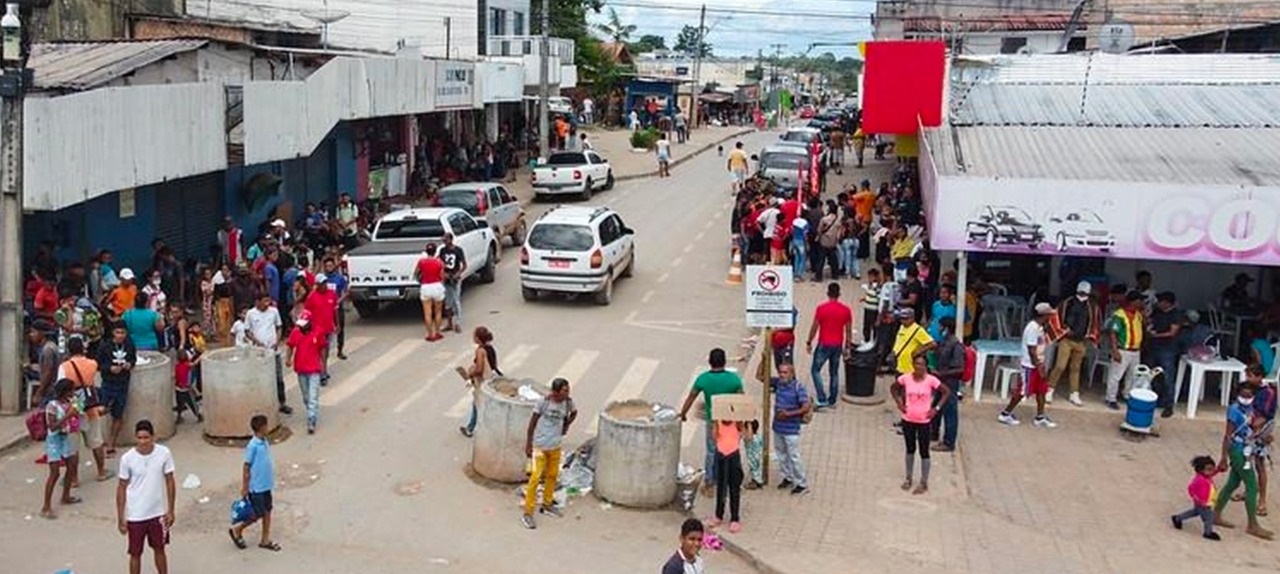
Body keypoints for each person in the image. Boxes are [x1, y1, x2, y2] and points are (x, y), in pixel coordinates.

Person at [679, 349, 744, 495]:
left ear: (710, 362)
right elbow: (741, 401)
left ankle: (710, 481)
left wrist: (682, 414)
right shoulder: (734, 379)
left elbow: (691, 397)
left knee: (711, 451)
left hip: (713, 421)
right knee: (731, 450)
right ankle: (732, 480)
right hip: (731, 421)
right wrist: (741, 423)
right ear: (725, 361)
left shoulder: (703, 379)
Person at [1213, 383, 1274, 540]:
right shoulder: (1234, 410)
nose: (1246, 398)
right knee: (1252, 486)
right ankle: (1252, 524)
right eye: (1244, 395)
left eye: (1249, 395)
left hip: (1245, 449)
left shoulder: (1251, 409)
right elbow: (1228, 435)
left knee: (1232, 483)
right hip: (1238, 450)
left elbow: (1252, 430)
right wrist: (1223, 457)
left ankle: (1216, 514)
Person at [116, 420, 176, 574]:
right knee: (135, 554)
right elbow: (121, 487)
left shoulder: (164, 453)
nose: (143, 442)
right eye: (140, 438)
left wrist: (171, 510)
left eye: (146, 437)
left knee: (160, 549)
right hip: (136, 515)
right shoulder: (127, 459)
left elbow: (170, 481)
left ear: (153, 437)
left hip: (157, 513)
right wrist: (120, 517)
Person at [522, 378, 577, 529]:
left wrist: (566, 425)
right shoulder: (543, 402)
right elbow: (532, 423)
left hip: (555, 446)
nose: (567, 393)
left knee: (552, 476)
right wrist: (528, 444)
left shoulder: (568, 402)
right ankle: (527, 512)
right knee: (535, 478)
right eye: (564, 390)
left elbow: (574, 413)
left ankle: (547, 504)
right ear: (555, 391)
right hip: (540, 447)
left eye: (568, 390)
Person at [892, 355, 950, 495]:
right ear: (913, 365)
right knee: (910, 449)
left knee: (924, 451)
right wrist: (899, 403)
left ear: (926, 366)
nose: (919, 367)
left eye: (922, 364)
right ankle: (908, 478)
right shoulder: (905, 378)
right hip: (908, 419)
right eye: (917, 364)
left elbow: (946, 392)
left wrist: (935, 409)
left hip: (924, 421)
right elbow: (894, 388)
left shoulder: (931, 380)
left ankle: (924, 482)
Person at [1000, 303, 1058, 428]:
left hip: (1039, 364)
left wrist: (1047, 327)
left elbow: (1052, 339)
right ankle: (1005, 414)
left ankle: (1040, 417)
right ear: (1043, 315)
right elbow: (1032, 350)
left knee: (1041, 390)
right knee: (1022, 391)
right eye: (1049, 315)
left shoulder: (1041, 327)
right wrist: (1039, 366)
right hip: (1030, 366)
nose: (1051, 317)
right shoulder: (1032, 328)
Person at [229, 415, 281, 551]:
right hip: (256, 487)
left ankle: (265, 539)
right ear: (262, 428)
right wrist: (245, 487)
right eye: (266, 426)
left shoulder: (264, 442)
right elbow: (246, 466)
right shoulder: (253, 446)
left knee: (268, 510)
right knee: (257, 513)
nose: (268, 428)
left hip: (266, 484)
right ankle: (238, 529)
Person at [1049, 281, 1098, 407]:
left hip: (1081, 341)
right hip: (1066, 340)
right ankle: (1049, 389)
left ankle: (1074, 393)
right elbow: (1056, 318)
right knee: (1060, 366)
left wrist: (1090, 337)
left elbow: (1095, 323)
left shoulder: (1092, 306)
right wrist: (1064, 330)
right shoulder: (1068, 302)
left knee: (1076, 368)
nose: (1083, 293)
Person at [806, 282, 853, 408]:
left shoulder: (821, 308)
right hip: (838, 344)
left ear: (827, 293)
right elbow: (848, 330)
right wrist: (847, 347)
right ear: (839, 294)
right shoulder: (846, 310)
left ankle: (821, 397)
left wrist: (809, 341)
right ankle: (832, 400)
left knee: (815, 370)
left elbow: (814, 327)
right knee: (834, 372)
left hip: (824, 344)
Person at [40, 379, 81, 519]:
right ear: (65, 391)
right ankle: (46, 506)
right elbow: (52, 427)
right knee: (55, 473)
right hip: (54, 440)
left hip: (67, 437)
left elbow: (77, 416)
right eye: (71, 390)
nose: (73, 393)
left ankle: (66, 496)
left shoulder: (70, 403)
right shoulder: (51, 406)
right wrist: (68, 416)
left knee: (72, 467)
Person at [769, 362, 811, 495]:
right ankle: (787, 477)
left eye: (785, 372)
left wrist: (788, 414)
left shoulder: (798, 387)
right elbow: (761, 377)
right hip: (778, 427)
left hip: (791, 429)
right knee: (781, 454)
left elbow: (806, 406)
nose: (782, 375)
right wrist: (763, 358)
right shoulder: (778, 384)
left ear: (792, 374)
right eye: (780, 372)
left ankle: (801, 483)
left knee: (794, 456)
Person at [246, 294, 292, 415]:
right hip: (258, 352)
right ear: (258, 302)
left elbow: (279, 327)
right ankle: (261, 403)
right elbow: (247, 331)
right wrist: (257, 342)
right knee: (259, 378)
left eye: (268, 301)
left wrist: (277, 340)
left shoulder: (274, 311)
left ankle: (282, 403)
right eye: (264, 301)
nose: (267, 304)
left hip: (273, 351)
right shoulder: (251, 314)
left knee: (278, 378)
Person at [98, 324, 138, 456]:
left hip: (123, 384)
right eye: (117, 332)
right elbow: (99, 364)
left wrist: (129, 365)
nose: (120, 335)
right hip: (108, 383)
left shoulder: (129, 345)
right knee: (101, 409)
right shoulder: (105, 346)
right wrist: (109, 368)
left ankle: (111, 444)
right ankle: (97, 439)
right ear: (113, 333)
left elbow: (133, 359)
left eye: (123, 332)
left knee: (118, 415)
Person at [285, 311, 326, 434]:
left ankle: (311, 418)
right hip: (301, 369)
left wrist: (323, 363)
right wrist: (288, 358)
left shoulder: (318, 332)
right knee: (306, 396)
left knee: (313, 395)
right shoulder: (296, 332)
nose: (301, 326)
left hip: (314, 369)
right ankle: (311, 411)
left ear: (310, 323)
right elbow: (290, 345)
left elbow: (323, 347)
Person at [1105, 291, 1147, 410]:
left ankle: (1126, 394)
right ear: (1134, 301)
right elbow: (1113, 333)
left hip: (1135, 350)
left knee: (1132, 375)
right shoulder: (1119, 314)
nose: (1142, 303)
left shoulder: (1138, 314)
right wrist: (1115, 350)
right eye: (1140, 300)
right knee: (1116, 375)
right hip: (1123, 349)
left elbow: (1144, 326)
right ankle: (1111, 398)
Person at [1147, 291, 1184, 418]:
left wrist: (1155, 335)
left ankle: (1169, 405)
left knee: (1168, 377)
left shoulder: (1176, 314)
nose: (1158, 303)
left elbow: (1172, 332)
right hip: (1154, 347)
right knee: (1153, 375)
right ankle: (1157, 399)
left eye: (1161, 301)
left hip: (1168, 349)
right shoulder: (1157, 311)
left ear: (1167, 303)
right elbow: (1150, 321)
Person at [460, 326, 500, 438]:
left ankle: (470, 429)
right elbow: (494, 365)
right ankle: (472, 427)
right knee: (483, 404)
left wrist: (470, 374)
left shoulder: (480, 351)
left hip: (484, 382)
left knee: (477, 405)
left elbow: (479, 369)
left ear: (477, 338)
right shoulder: (490, 348)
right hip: (492, 379)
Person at [932, 318, 965, 452]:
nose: (938, 329)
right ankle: (933, 433)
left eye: (940, 326)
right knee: (935, 407)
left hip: (949, 383)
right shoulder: (945, 342)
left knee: (950, 412)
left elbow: (959, 369)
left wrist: (941, 374)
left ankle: (948, 442)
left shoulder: (956, 345)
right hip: (941, 382)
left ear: (946, 328)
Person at [1172, 455, 1223, 541]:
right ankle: (1208, 532)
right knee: (1209, 517)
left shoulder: (1205, 476)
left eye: (1212, 469)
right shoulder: (1199, 480)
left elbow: (1212, 473)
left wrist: (1218, 470)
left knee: (1195, 512)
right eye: (1209, 469)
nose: (1211, 472)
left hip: (1205, 502)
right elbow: (1191, 489)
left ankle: (1178, 518)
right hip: (1203, 503)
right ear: (1200, 470)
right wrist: (1197, 499)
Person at [708, 416, 745, 533]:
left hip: (733, 456)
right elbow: (714, 438)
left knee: (734, 488)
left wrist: (745, 423)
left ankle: (735, 518)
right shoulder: (718, 421)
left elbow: (746, 436)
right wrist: (714, 425)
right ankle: (718, 515)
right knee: (721, 487)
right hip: (721, 456)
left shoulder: (737, 422)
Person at [415, 243, 446, 341]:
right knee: (438, 311)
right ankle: (438, 333)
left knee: (427, 313)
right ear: (435, 251)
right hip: (437, 286)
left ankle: (430, 334)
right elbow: (442, 276)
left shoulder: (421, 262)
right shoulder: (439, 262)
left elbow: (416, 273)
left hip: (426, 287)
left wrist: (420, 280)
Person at [438, 234, 467, 334]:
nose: (444, 242)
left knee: (456, 300)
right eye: (443, 240)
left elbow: (464, 265)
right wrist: (443, 273)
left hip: (455, 278)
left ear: (451, 240)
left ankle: (458, 322)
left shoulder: (458, 250)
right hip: (446, 279)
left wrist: (458, 274)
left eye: (446, 240)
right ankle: (449, 323)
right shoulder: (442, 250)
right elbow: (440, 263)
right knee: (447, 302)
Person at [891, 308, 935, 376]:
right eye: (901, 319)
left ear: (912, 318)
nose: (903, 321)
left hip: (910, 368)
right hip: (899, 365)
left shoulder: (918, 330)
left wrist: (918, 351)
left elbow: (932, 344)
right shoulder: (902, 327)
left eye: (906, 319)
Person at [860, 268, 883, 343]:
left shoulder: (877, 287)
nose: (869, 279)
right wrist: (865, 299)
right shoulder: (870, 286)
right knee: (866, 325)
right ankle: (866, 339)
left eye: (871, 277)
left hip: (873, 309)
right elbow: (870, 295)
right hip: (867, 308)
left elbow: (878, 297)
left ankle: (874, 340)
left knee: (873, 326)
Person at [742, 419, 764, 490]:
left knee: (753, 470)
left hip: (752, 458)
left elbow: (749, 437)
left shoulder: (750, 439)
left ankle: (756, 482)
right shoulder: (758, 437)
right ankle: (757, 481)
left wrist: (749, 425)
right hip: (757, 457)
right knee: (757, 470)